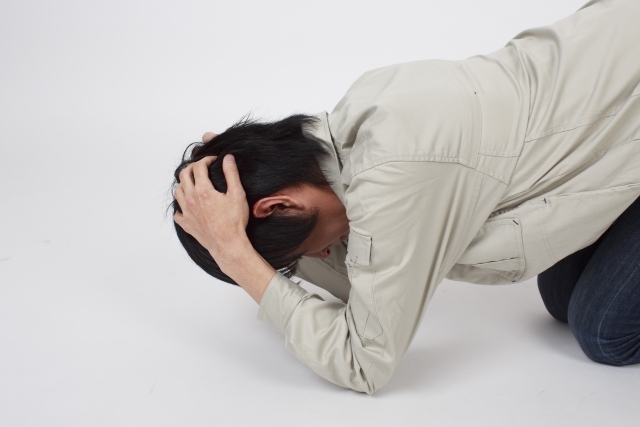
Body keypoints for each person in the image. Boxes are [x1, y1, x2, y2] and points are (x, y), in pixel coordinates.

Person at [170, 0, 640, 394]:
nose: (319, 257)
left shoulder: (391, 172)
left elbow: (364, 362)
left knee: (605, 333)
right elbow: (364, 281)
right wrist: (236, 176)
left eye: (300, 253)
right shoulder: (351, 131)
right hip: (613, 83)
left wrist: (237, 254)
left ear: (279, 205)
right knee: (561, 301)